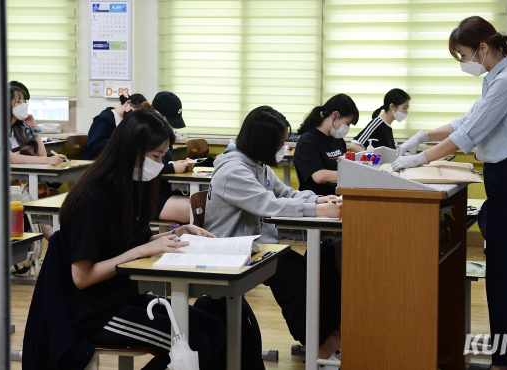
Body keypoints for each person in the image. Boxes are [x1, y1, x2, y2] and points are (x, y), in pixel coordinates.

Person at [391, 16, 507, 369]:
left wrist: (416, 161)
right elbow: (466, 122)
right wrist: (422, 135)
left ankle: (504, 362)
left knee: (503, 275)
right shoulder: (497, 78)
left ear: (483, 48)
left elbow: (467, 137)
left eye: (462, 55)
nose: (463, 62)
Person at [56, 109, 225, 369]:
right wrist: (140, 252)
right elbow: (81, 277)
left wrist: (177, 233)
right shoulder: (93, 198)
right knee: (195, 343)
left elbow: (140, 240)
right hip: (93, 311)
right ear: (131, 149)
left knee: (214, 329)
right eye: (156, 156)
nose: (160, 163)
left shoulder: (131, 186)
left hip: (123, 296)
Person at [203, 106, 343, 366]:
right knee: (296, 281)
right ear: (263, 141)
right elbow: (270, 205)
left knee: (316, 273)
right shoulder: (234, 170)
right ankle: (319, 351)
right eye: (279, 143)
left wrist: (320, 199)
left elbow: (285, 194)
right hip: (232, 249)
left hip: (257, 245)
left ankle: (330, 342)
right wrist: (319, 210)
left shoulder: (258, 165)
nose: (283, 148)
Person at [8, 81, 66, 242]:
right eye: (18, 101)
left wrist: (34, 129)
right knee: (36, 200)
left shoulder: (18, 129)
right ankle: (56, 245)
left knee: (42, 195)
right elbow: (10, 158)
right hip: (3, 184)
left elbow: (40, 154)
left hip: (17, 183)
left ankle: (58, 244)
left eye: (24, 101)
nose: (23, 105)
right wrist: (48, 160)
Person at [293, 93, 359, 195]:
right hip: (316, 202)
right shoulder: (308, 141)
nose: (347, 128)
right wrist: (353, 174)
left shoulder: (338, 139)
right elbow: (319, 176)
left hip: (338, 197)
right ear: (335, 115)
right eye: (347, 123)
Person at [152, 91, 194, 222]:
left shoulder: (165, 135)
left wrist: (181, 165)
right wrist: (171, 168)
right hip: (149, 196)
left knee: (206, 202)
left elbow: (165, 164)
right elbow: (140, 171)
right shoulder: (145, 134)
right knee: (198, 210)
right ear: (158, 114)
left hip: (165, 190)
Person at [84, 93, 147, 160]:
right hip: (99, 162)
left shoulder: (127, 120)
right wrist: (118, 140)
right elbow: (93, 145)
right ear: (128, 103)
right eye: (136, 112)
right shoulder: (105, 118)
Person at [348, 88, 410, 152]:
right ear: (392, 106)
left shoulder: (388, 126)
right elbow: (354, 145)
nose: (406, 112)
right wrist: (372, 159)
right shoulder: (377, 123)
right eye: (404, 108)